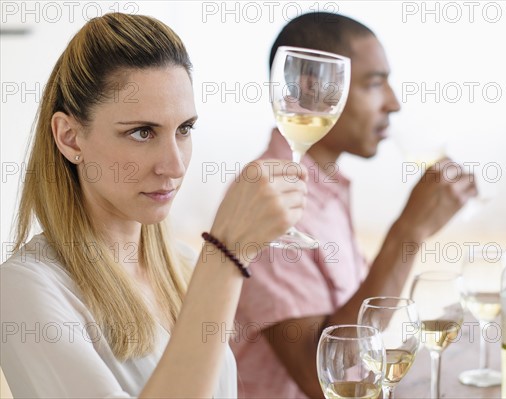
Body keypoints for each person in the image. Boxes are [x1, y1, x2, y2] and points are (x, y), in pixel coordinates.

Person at [0, 13, 307, 399]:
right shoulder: (25, 288)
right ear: (70, 138)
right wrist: (227, 255)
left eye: (184, 129)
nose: (175, 165)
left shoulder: (182, 266)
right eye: (142, 132)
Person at [231, 12, 478, 398]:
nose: (393, 104)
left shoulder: (326, 187)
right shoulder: (268, 198)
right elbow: (321, 380)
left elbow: (362, 332)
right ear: (315, 91)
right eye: (374, 84)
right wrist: (409, 233)